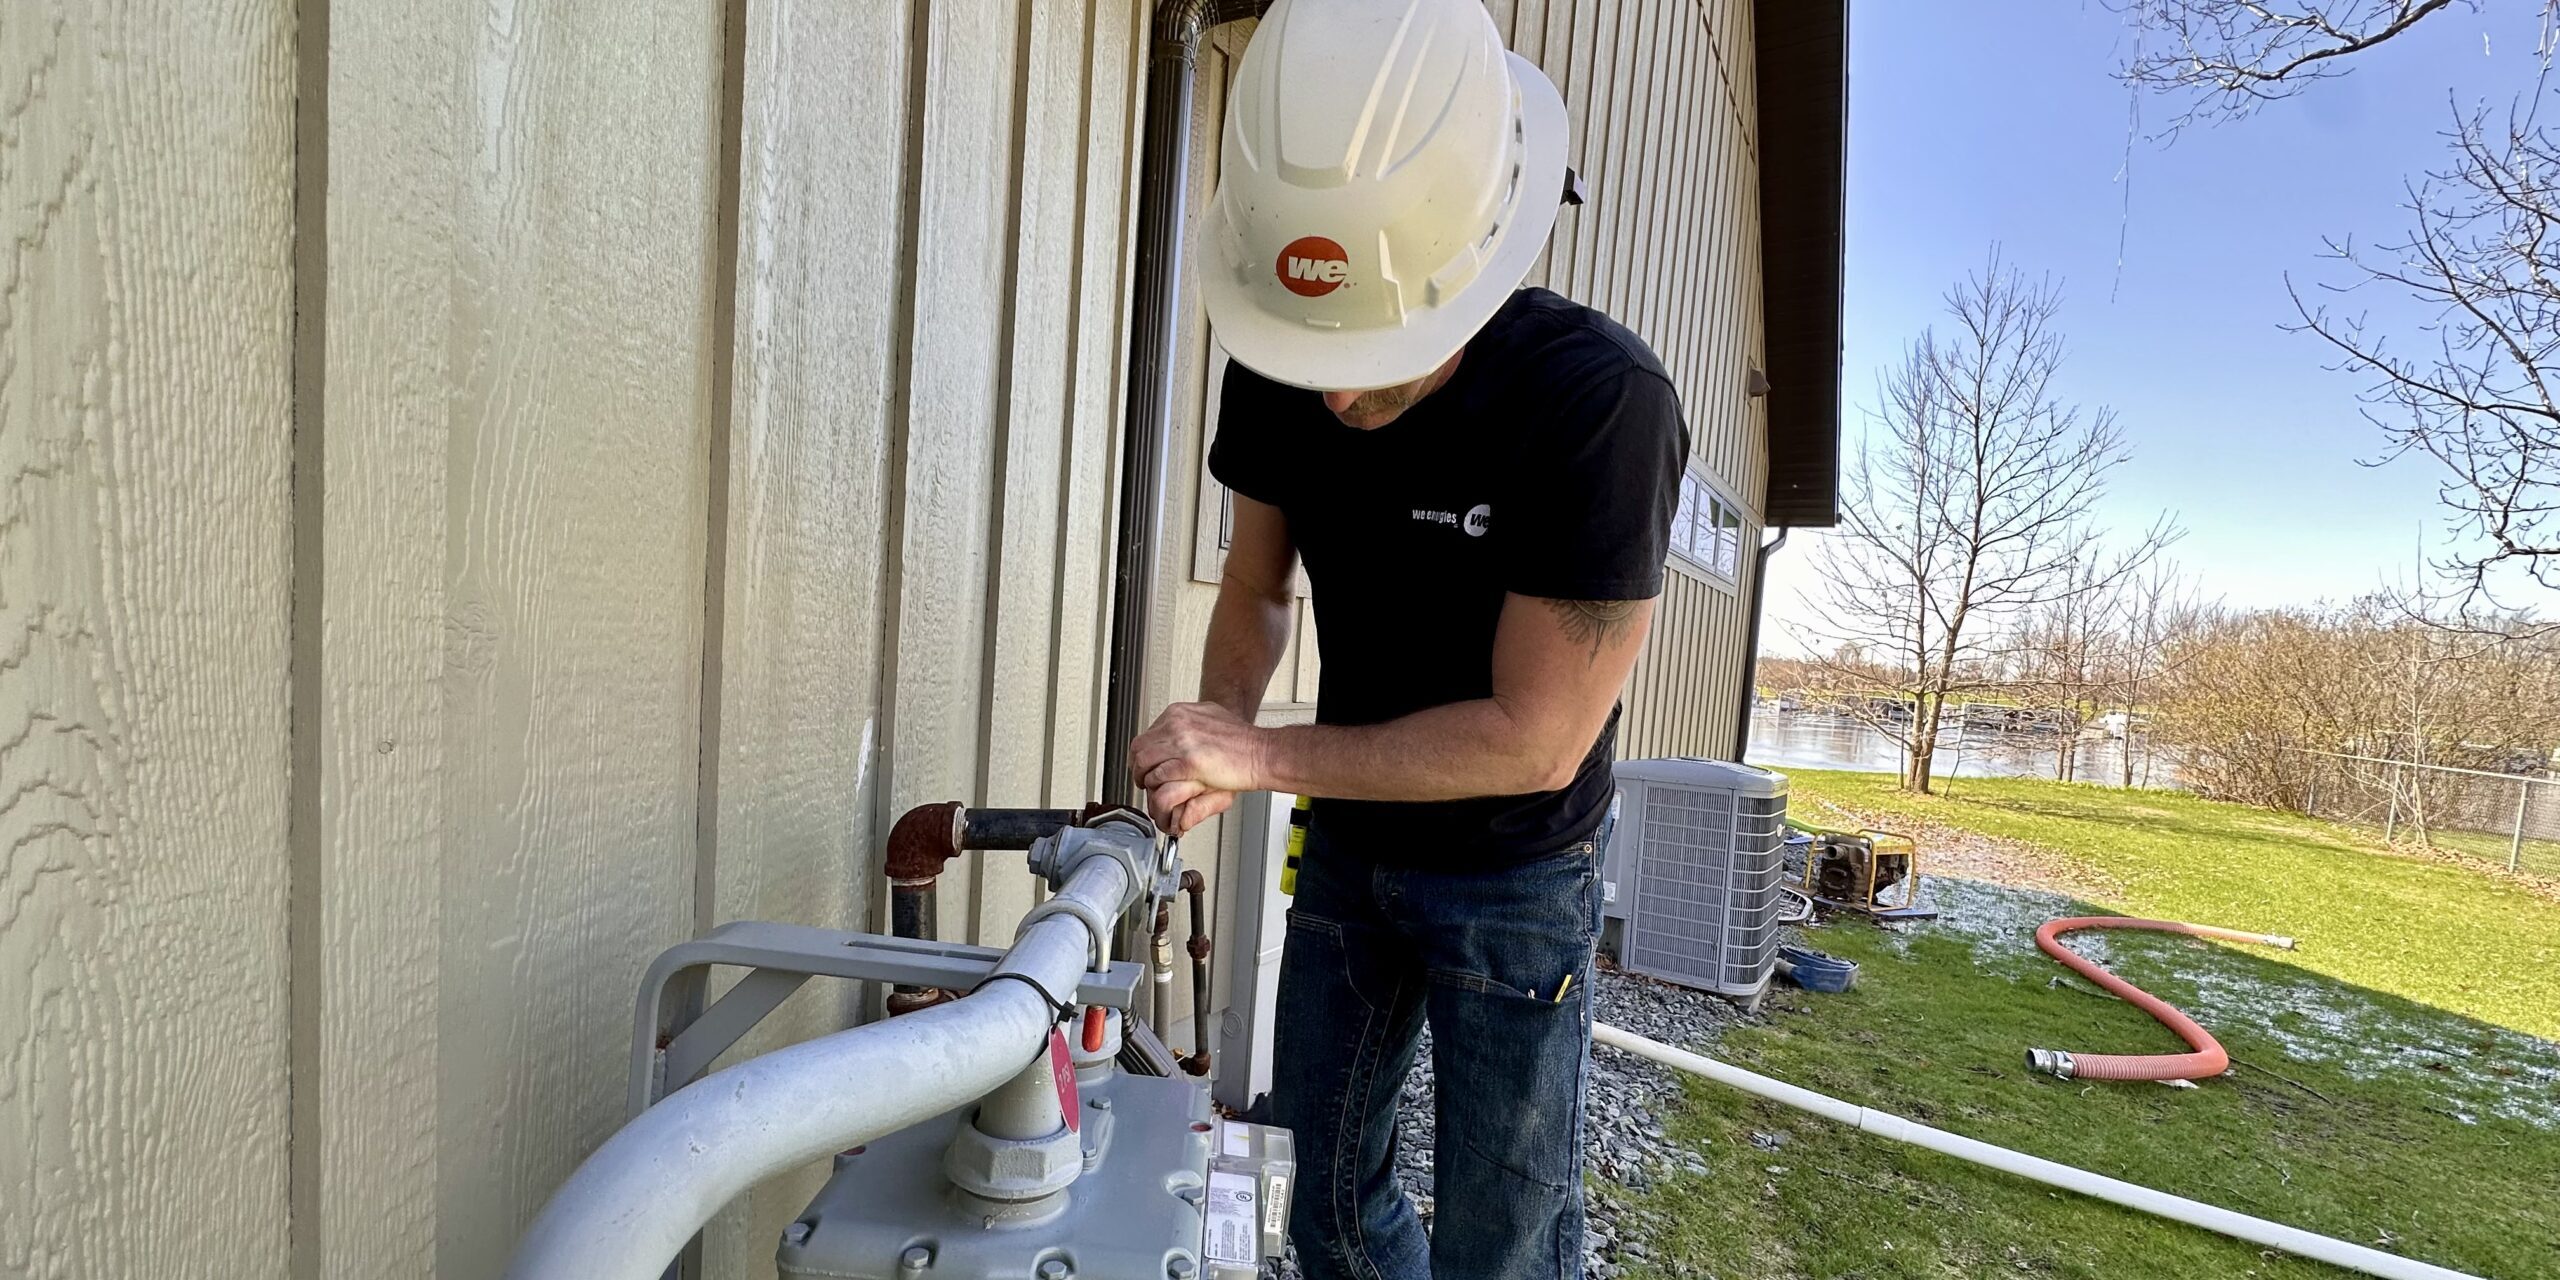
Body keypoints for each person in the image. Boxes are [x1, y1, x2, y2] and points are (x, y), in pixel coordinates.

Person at [1128, 1, 1686, 1277]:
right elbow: (1261, 586)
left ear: (1477, 259)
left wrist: (1262, 758)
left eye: (1380, 354)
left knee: (1505, 1233)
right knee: (1316, 1187)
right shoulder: (1282, 352)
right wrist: (1216, 731)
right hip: (1354, 838)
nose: (1336, 392)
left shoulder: (1600, 408)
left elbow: (1534, 740)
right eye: (1315, 353)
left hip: (1517, 868)